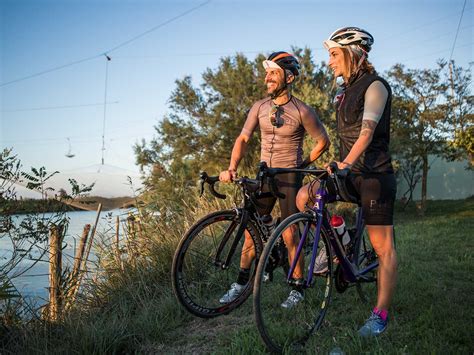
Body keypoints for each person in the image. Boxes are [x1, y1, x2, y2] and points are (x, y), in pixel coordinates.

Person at [297, 27, 397, 337]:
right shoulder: (345, 92)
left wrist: (345, 163)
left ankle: (380, 314)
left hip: (374, 177)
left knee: (384, 250)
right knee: (304, 197)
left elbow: (366, 132)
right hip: (347, 174)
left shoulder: (376, 86)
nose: (328, 62)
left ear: (353, 54)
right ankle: (337, 240)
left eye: (333, 55)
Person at [218, 51, 330, 308]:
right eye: (267, 73)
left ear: (288, 77)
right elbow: (243, 139)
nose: (267, 78)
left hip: (289, 177)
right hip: (265, 175)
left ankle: (297, 289)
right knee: (250, 231)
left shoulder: (302, 110)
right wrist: (231, 167)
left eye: (273, 73)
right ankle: (241, 282)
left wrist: (302, 165)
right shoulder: (259, 107)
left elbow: (323, 141)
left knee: (291, 233)